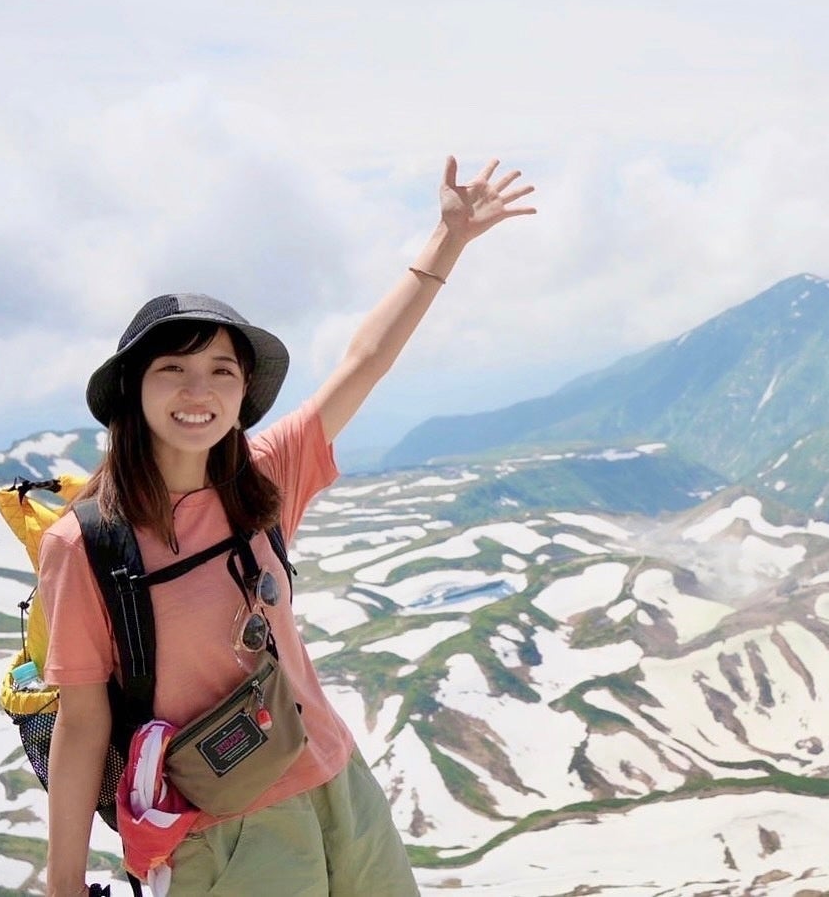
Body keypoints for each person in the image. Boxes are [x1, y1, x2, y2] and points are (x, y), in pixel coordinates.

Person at [37, 157, 535, 897]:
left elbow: (362, 364)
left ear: (244, 393)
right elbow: (81, 721)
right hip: (219, 833)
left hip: (336, 781)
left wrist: (447, 240)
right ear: (133, 389)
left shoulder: (260, 478)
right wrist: (65, 881)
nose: (198, 390)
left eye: (221, 370)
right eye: (173, 369)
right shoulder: (86, 544)